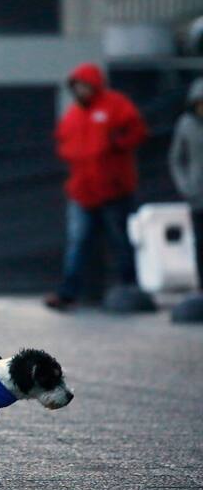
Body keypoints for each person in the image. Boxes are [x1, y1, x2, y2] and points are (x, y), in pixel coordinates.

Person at [45, 63, 148, 311]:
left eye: (84, 85)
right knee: (78, 241)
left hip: (114, 189)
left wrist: (117, 143)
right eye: (76, 86)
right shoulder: (72, 115)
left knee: (120, 241)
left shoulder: (116, 104)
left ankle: (128, 288)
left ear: (95, 85)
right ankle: (69, 293)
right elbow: (61, 142)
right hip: (82, 190)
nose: (80, 90)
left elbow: (137, 131)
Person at [169, 78, 203, 290]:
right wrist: (186, 186)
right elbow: (176, 159)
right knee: (200, 242)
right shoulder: (186, 124)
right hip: (198, 195)